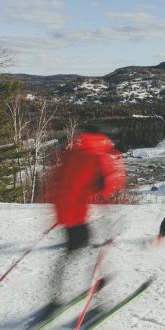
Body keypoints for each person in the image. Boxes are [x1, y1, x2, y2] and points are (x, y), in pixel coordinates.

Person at [46, 125, 126, 309]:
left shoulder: (72, 152)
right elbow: (104, 184)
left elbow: (62, 181)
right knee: (88, 249)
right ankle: (96, 301)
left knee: (72, 250)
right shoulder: (95, 156)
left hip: (65, 211)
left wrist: (59, 210)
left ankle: (55, 295)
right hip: (75, 212)